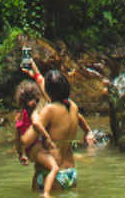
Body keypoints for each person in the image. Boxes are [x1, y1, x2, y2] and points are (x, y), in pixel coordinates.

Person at [30, 68, 90, 196]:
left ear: (48, 91)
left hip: (51, 174)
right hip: (70, 172)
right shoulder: (73, 107)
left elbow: (30, 135)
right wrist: (88, 131)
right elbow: (79, 118)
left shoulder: (49, 110)